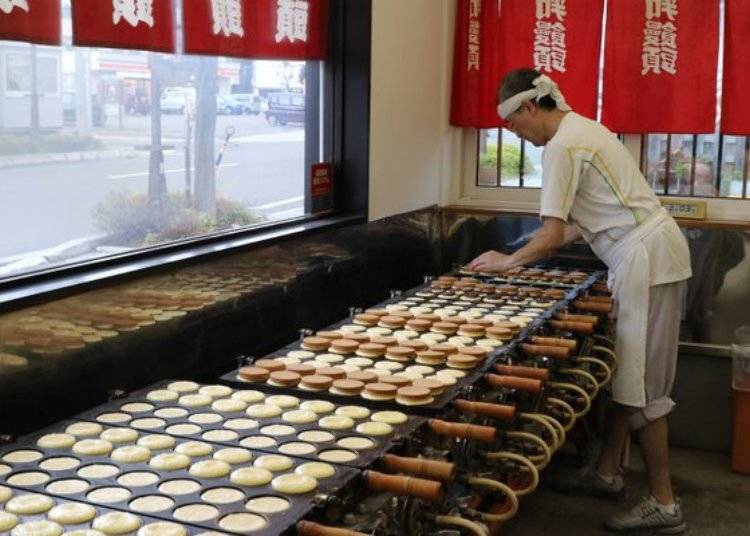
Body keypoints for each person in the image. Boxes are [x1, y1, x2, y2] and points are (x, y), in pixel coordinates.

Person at [468, 68, 692, 534]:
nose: (514, 132)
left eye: (512, 123)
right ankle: (608, 473)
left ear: (530, 107)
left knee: (646, 388)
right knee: (627, 373)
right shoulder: (585, 130)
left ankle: (664, 503)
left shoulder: (564, 145)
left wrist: (511, 261)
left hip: (645, 260)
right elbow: (577, 225)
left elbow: (553, 234)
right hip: (643, 254)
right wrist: (531, 247)